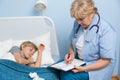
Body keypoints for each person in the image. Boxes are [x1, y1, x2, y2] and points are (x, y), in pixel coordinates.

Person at [60, 0, 116, 80]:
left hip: (96, 68)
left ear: (91, 14)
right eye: (77, 19)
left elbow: (105, 60)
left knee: (67, 77)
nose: (78, 22)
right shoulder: (78, 23)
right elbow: (71, 44)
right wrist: (71, 55)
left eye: (81, 19)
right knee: (56, 67)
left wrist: (84, 68)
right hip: (79, 62)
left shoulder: (106, 30)